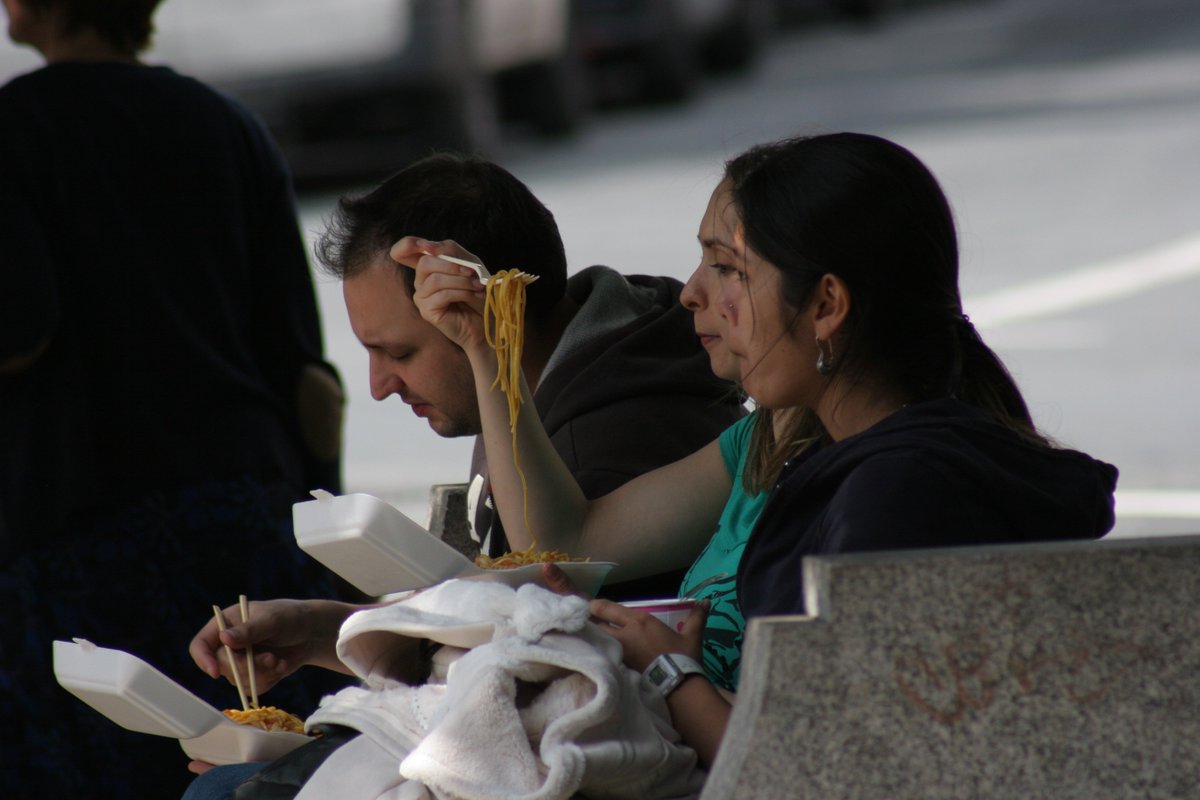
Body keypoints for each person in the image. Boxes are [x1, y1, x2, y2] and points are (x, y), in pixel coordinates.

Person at [410, 131, 1119, 767]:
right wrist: (487, 348)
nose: (691, 293)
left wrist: (670, 672)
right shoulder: (787, 436)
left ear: (825, 306)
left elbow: (819, 772)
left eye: (728, 269)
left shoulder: (902, 497)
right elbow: (566, 539)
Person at [179, 153, 743, 798]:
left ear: (498, 308)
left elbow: (550, 671)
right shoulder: (566, 374)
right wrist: (325, 629)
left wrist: (342, 638)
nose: (379, 385)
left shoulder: (606, 438)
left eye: (400, 352)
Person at [0, 1, 354, 796]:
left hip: (75, 533)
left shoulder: (14, 130)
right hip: (241, 517)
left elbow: (17, 324)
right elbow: (305, 376)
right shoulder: (225, 124)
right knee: (267, 768)